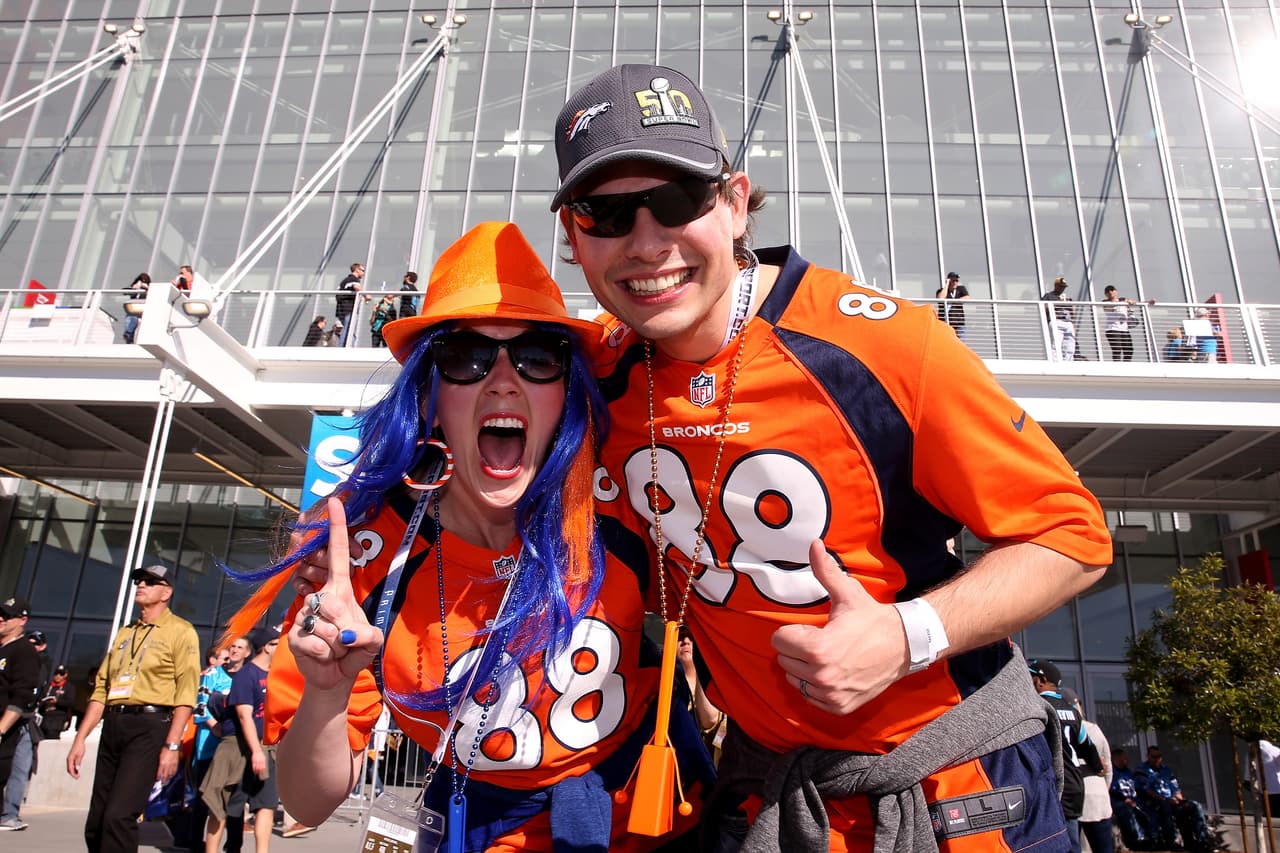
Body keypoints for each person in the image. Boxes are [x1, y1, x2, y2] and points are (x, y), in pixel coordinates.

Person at [551, 63, 1111, 851]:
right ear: (572, 238)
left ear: (736, 202)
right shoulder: (591, 381)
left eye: (678, 201)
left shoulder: (882, 345)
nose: (646, 243)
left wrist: (905, 633)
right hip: (769, 794)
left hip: (957, 789)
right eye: (604, 213)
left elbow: (1072, 537)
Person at [247, 221, 710, 852]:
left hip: (651, 826)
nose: (502, 380)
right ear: (430, 397)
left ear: (566, 391)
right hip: (470, 829)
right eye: (464, 358)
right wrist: (327, 698)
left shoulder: (627, 501)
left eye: (537, 356)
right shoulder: (362, 561)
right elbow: (308, 800)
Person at [67, 565, 201, 853]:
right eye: (139, 581)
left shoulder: (181, 632)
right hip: (114, 724)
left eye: (151, 582)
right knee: (98, 819)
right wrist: (80, 739)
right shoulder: (125, 633)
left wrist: (173, 745)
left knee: (119, 815)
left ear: (167, 592)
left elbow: (186, 694)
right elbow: (101, 689)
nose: (142, 585)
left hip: (150, 726)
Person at [200, 626, 280, 853]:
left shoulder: (273, 675)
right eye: (277, 643)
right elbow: (245, 715)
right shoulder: (247, 674)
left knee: (266, 804)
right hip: (237, 746)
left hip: (266, 745)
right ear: (267, 647)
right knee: (220, 806)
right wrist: (255, 751)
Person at [1029, 662, 1102, 853]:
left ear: (1042, 681)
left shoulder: (1038, 707)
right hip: (1075, 784)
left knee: (1057, 843)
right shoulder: (1072, 712)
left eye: (1031, 677)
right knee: (1070, 839)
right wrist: (1096, 767)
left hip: (1054, 784)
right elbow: (1088, 747)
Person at [0, 599, 39, 833]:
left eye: (7, 616)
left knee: (9, 770)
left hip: (8, 725)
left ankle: (7, 815)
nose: (1, 619)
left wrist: (2, 728)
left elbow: (21, 695)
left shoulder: (24, 651)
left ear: (22, 621)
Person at [1135, 745, 1215, 852]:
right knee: (1166, 808)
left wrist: (1181, 801)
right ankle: (1171, 841)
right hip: (1156, 801)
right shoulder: (1142, 770)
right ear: (1148, 756)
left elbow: (1175, 788)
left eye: (1159, 756)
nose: (1156, 759)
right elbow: (1146, 790)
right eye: (1153, 756)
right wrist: (1164, 799)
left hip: (1172, 800)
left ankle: (1202, 840)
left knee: (1195, 806)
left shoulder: (1166, 770)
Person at [1063, 687, 1112, 853]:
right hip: (1098, 799)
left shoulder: (1059, 729)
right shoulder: (1093, 729)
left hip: (1071, 797)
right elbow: (1107, 765)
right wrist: (1103, 786)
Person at [1110, 748, 1153, 851]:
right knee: (1129, 811)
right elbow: (1112, 790)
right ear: (1117, 759)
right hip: (1119, 802)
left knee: (1148, 811)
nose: (1127, 760)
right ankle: (1139, 839)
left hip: (1134, 801)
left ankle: (1153, 838)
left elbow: (1135, 788)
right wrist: (1126, 800)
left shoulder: (1128, 771)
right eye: (1124, 758)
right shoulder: (1112, 773)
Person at [1101, 286, 1152, 362]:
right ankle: (1117, 367)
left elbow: (1136, 303)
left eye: (1112, 290)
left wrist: (1149, 302)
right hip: (1112, 329)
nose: (1110, 292)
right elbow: (1107, 308)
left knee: (1129, 349)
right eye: (1108, 291)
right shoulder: (1105, 302)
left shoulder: (1123, 301)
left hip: (1124, 329)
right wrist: (1123, 301)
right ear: (1105, 294)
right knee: (1117, 349)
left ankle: (1126, 365)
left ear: (1116, 291)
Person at [1042, 276, 1077, 362]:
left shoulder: (1066, 297)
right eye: (1061, 286)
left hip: (1068, 322)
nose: (1062, 289)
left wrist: (1070, 305)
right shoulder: (1049, 296)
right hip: (1056, 321)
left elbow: (1073, 313)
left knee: (1070, 346)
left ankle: (1068, 364)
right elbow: (1044, 308)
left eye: (1063, 287)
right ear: (1056, 286)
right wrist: (1059, 303)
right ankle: (1055, 363)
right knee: (1056, 345)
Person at [38, 664, 76, 739]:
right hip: (45, 716)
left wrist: (57, 701)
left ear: (65, 675)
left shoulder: (69, 687)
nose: (58, 676)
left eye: (61, 674)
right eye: (56, 673)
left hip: (58, 718)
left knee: (51, 739)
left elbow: (70, 702)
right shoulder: (48, 686)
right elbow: (40, 698)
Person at [334, 262, 366, 346]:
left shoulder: (345, 280)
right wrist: (367, 295)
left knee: (348, 328)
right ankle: (345, 347)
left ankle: (347, 346)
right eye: (362, 270)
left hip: (343, 309)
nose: (364, 273)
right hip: (348, 309)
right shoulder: (353, 279)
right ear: (357, 270)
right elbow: (357, 288)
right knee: (348, 329)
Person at [935, 271, 969, 341]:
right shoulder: (941, 291)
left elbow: (967, 298)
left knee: (960, 343)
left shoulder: (961, 289)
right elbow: (941, 298)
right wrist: (947, 284)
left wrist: (953, 301)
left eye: (957, 280)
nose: (955, 282)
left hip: (959, 323)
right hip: (945, 324)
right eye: (953, 280)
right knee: (945, 342)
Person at [122, 273, 151, 344]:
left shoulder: (149, 289)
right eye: (141, 280)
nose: (142, 282)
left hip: (143, 310)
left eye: (144, 281)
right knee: (131, 317)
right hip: (134, 308)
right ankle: (129, 335)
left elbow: (153, 294)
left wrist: (147, 288)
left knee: (133, 318)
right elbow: (124, 292)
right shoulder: (135, 287)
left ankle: (129, 334)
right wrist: (133, 288)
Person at [1259, 739, 1279, 821]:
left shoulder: (1251, 752)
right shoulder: (1274, 750)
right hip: (1277, 789)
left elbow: (1248, 777)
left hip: (1263, 790)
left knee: (1270, 816)